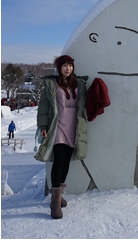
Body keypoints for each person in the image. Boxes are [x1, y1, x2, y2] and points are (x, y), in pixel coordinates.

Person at [35, 54, 89, 219]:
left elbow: (86, 103)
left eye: (70, 65)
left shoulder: (79, 84)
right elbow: (43, 107)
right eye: (64, 65)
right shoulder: (51, 85)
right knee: (58, 161)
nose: (68, 68)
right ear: (59, 68)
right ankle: (55, 202)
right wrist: (43, 126)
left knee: (66, 162)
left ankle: (57, 194)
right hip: (57, 127)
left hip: (74, 128)